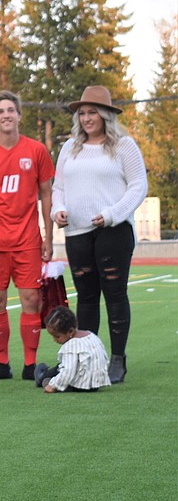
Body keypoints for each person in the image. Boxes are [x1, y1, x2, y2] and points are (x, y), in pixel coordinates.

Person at [50, 85, 147, 384]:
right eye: (82, 113)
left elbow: (138, 187)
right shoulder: (69, 148)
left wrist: (113, 214)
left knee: (115, 295)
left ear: (105, 114)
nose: (87, 118)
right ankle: (87, 354)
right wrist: (59, 210)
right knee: (86, 298)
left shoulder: (124, 146)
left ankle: (118, 358)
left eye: (93, 112)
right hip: (77, 232)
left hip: (113, 230)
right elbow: (59, 188)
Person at [0, 91, 54, 382]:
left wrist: (48, 237)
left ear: (19, 115)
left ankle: (30, 365)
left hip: (28, 239)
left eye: (11, 110)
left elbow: (46, 194)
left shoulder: (36, 150)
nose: (6, 115)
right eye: (0, 111)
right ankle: (2, 364)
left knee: (31, 300)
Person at [34, 305, 111, 393]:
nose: (54, 340)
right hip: (95, 384)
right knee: (62, 366)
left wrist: (53, 386)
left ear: (70, 331)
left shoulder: (71, 346)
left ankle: (42, 378)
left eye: (57, 336)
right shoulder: (92, 336)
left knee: (53, 374)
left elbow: (68, 371)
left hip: (80, 385)